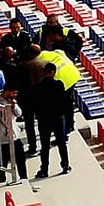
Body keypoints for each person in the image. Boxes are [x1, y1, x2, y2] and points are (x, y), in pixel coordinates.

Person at [32, 44, 81, 178]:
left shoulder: (38, 87)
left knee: (44, 146)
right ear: (53, 73)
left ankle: (44, 169)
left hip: (44, 119)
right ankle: (65, 165)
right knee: (61, 143)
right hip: (58, 118)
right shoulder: (59, 84)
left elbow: (36, 104)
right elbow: (64, 102)